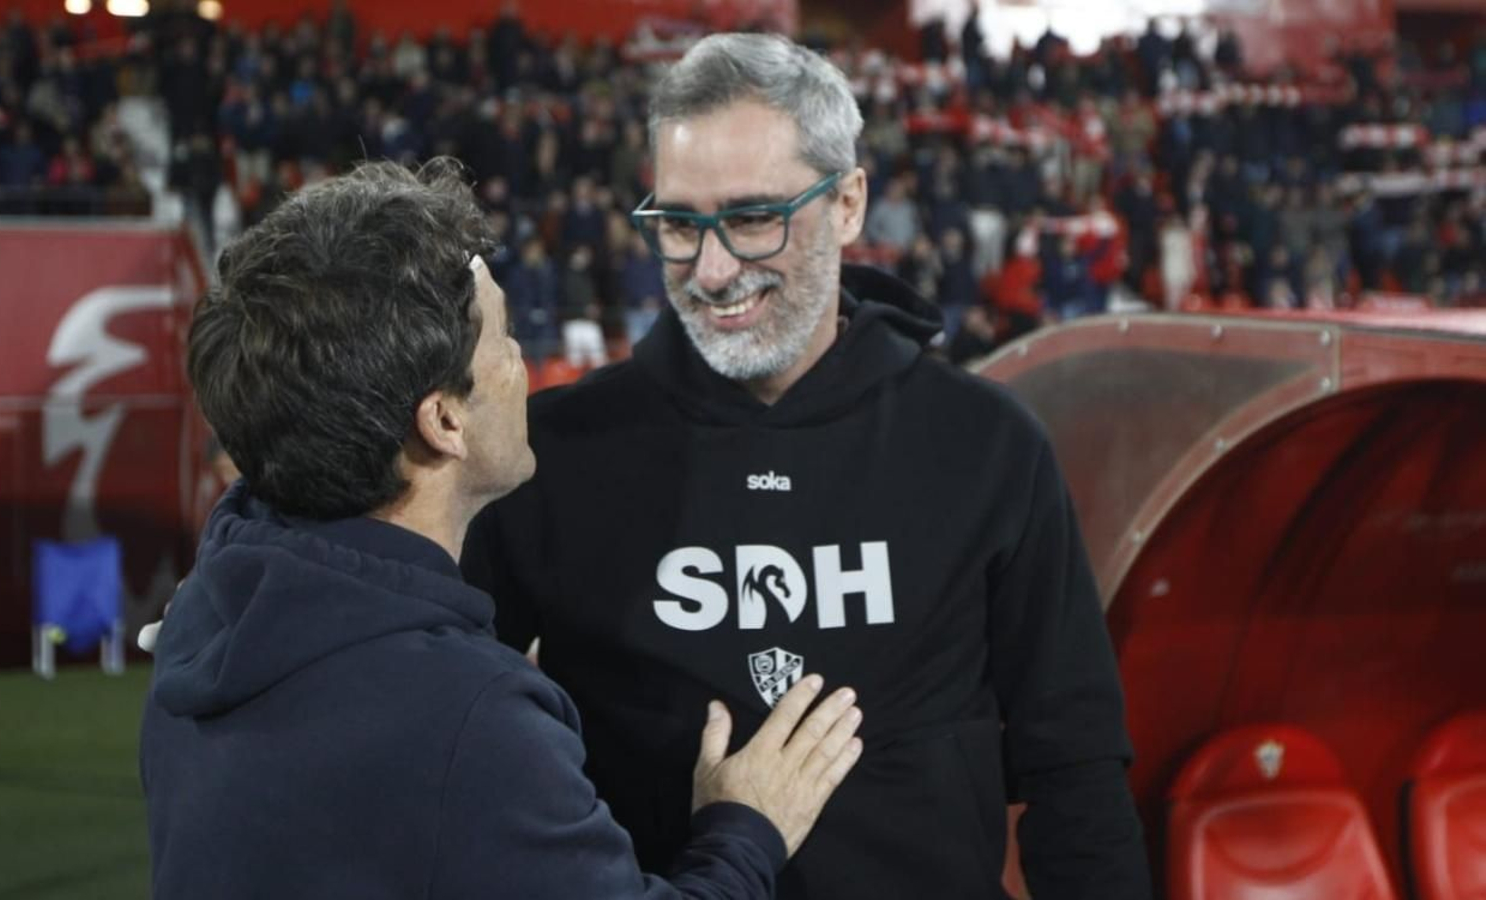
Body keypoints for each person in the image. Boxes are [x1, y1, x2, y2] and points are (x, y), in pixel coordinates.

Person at [462, 33, 1152, 899]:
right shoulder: (549, 456)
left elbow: (1075, 772)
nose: (713, 271)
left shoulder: (986, 447)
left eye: (753, 219)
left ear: (850, 202)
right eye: (680, 224)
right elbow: (437, 742)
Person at [140, 159, 865, 899]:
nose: (521, 363)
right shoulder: (467, 716)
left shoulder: (203, 628)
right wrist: (745, 825)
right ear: (445, 420)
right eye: (505, 340)